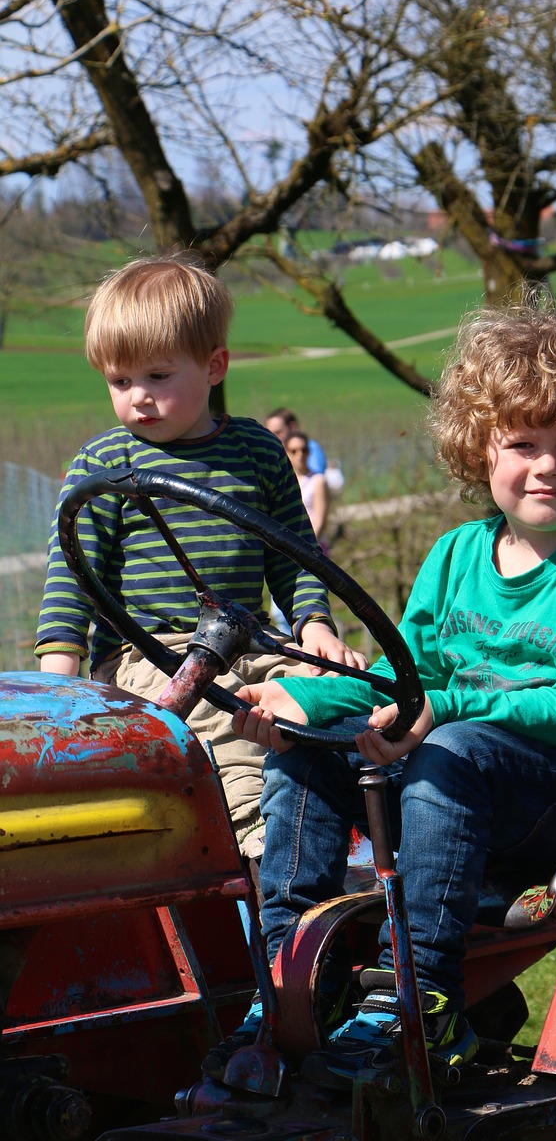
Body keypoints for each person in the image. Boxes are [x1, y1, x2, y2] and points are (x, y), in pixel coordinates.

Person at [228, 300, 556, 1081]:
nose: (546, 465)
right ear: (480, 451)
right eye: (522, 443)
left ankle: (418, 999)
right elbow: (416, 683)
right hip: (468, 773)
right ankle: (292, 979)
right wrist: (308, 704)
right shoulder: (454, 555)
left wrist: (446, 710)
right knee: (307, 756)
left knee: (451, 749)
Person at [35, 252, 365, 861]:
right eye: (120, 380)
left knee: (348, 695)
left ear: (215, 366)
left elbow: (295, 555)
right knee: (227, 728)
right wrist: (60, 676)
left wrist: (314, 626)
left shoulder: (258, 452)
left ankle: (364, 842)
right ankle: (263, 857)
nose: (139, 398)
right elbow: (69, 578)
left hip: (254, 639)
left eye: (158, 376)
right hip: (147, 655)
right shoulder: (103, 465)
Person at [265, 407, 344, 492]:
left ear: (292, 427)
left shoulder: (309, 448)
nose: (273, 438)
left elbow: (315, 485)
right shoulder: (274, 454)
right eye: (269, 434)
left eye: (278, 432)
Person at [284, 429, 329, 547]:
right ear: (286, 452)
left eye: (304, 450)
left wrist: (307, 549)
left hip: (313, 547)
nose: (300, 455)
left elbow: (320, 520)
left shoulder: (318, 480)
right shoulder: (285, 481)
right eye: (294, 451)